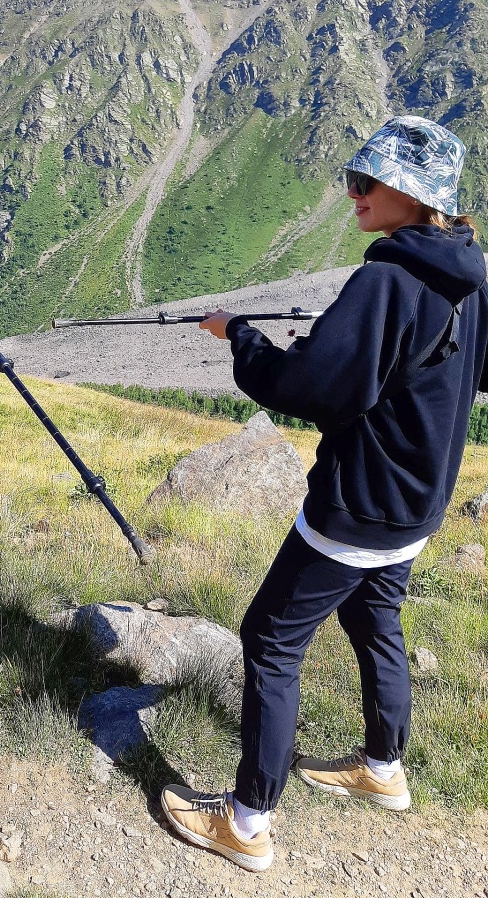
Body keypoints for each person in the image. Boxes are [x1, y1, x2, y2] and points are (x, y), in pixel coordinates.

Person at [159, 116, 488, 873]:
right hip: (418, 506)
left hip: (359, 507)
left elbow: (308, 389)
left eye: (365, 182)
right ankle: (382, 770)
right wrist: (356, 338)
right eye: (352, 180)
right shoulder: (467, 272)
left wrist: (240, 336)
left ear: (411, 192)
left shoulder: (385, 280)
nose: (354, 195)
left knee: (270, 639)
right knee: (377, 617)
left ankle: (246, 823)